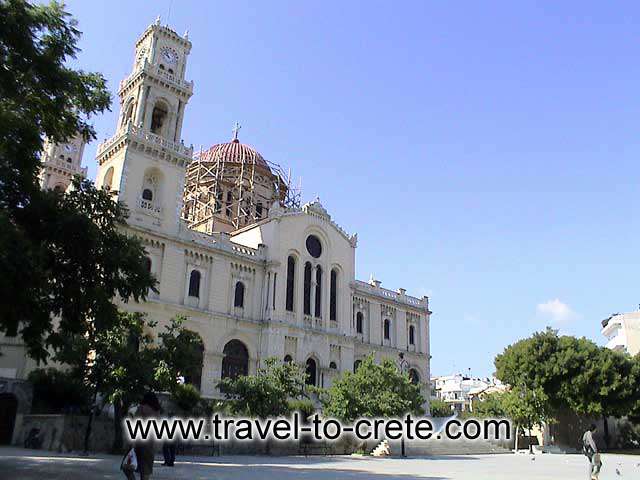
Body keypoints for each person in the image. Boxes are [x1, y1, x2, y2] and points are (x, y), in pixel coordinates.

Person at [134, 392, 162, 480]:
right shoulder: (157, 411)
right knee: (146, 469)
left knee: (131, 466)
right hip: (151, 442)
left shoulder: (141, 408)